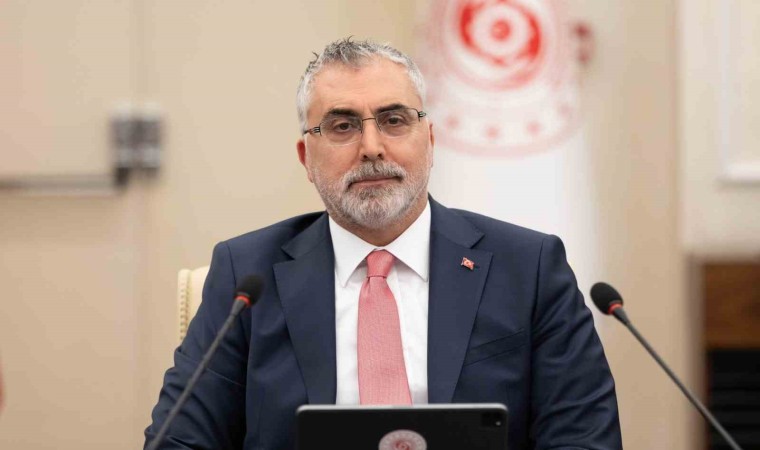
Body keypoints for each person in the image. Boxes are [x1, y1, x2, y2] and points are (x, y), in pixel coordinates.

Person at [145, 38, 622, 450]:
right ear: (306, 157)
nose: (372, 146)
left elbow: (583, 438)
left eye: (394, 120)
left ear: (430, 141)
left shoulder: (529, 269)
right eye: (342, 126)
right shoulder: (246, 275)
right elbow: (179, 440)